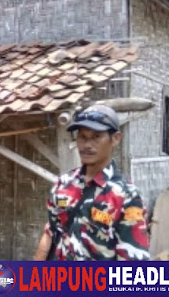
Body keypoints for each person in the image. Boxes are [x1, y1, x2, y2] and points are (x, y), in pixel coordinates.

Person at [34, 105, 150, 261]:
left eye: (96, 137)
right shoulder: (63, 184)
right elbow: (50, 233)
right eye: (82, 136)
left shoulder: (126, 196)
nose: (87, 145)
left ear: (115, 138)